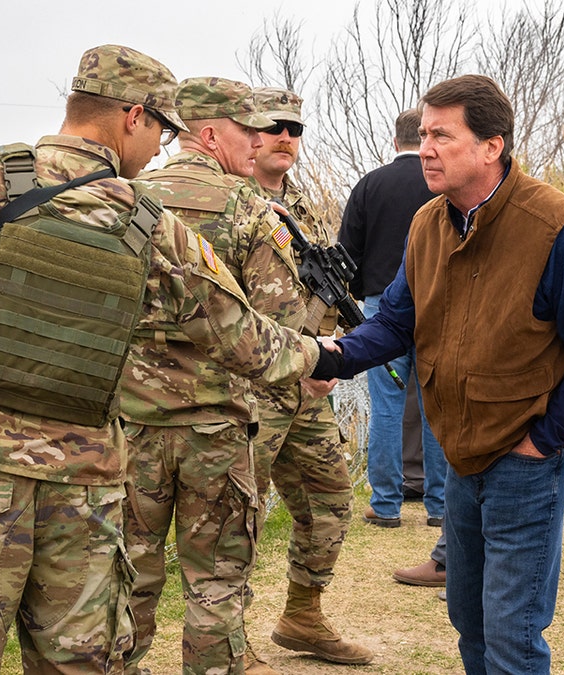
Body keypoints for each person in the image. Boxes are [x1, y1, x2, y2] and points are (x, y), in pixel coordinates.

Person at [0, 45, 333, 674]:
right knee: (79, 660)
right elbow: (241, 336)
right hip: (87, 482)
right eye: (160, 129)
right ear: (132, 116)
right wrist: (325, 354)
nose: (160, 148)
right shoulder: (147, 221)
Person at [308, 74, 564, 674]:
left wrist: (543, 440)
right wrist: (331, 357)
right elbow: (397, 321)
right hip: (460, 452)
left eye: (442, 136)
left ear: (491, 145)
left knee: (512, 631)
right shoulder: (428, 223)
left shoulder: (555, 226)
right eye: (423, 134)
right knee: (469, 621)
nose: (425, 147)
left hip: (528, 458)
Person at [121, 77, 320, 675]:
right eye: (247, 132)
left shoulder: (124, 196)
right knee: (216, 578)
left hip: (132, 425)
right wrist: (314, 360)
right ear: (210, 135)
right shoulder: (247, 208)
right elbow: (279, 320)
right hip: (217, 427)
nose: (259, 146)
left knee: (127, 570)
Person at [247, 86, 374, 666]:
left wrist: (330, 356)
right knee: (231, 518)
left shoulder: (301, 208)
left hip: (303, 391)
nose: (285, 138)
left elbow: (325, 293)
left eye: (295, 129)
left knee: (329, 499)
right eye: (274, 126)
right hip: (240, 394)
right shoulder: (223, 203)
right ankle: (222, 639)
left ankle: (303, 615)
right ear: (246, 130)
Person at [338, 108, 447, 531]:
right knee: (437, 404)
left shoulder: (370, 184)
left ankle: (386, 504)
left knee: (385, 407)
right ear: (422, 139)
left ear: (394, 139)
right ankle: (440, 505)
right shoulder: (442, 182)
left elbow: (347, 254)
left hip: (383, 305)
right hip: (438, 301)